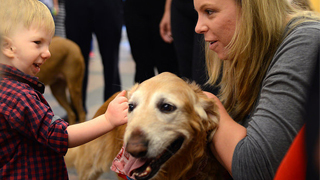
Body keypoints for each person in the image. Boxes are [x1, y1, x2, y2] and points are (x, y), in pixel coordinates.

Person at [0, 0, 128, 179]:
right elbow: (59, 135)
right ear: (8, 46)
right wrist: (107, 120)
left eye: (48, 44)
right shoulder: (20, 95)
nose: (48, 53)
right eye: (37, 43)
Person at [194, 0, 319, 179]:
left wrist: (207, 105)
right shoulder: (245, 51)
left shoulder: (307, 39)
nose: (198, 27)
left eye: (209, 11)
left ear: (250, 7)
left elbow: (254, 169)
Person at [64, 0, 124, 113]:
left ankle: (114, 109)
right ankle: (77, 110)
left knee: (111, 61)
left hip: (108, 4)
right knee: (76, 61)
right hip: (76, 5)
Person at [160, 0, 219, 94]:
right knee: (185, 75)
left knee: (205, 76)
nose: (198, 28)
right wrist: (167, 10)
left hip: (207, 4)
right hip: (179, 6)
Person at [123, 0, 179, 83]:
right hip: (133, 8)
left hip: (161, 8)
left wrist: (168, 11)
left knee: (167, 65)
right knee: (142, 66)